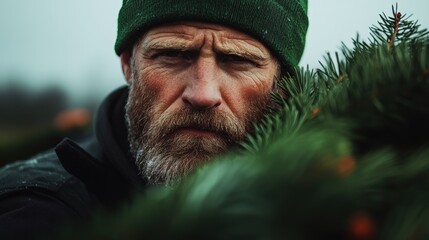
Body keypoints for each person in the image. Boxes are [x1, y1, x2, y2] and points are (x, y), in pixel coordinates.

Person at [0, 0, 308, 238]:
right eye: (173, 54)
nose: (203, 94)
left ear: (283, 83)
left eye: (237, 60)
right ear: (128, 67)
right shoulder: (36, 211)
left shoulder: (325, 204)